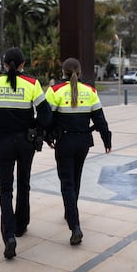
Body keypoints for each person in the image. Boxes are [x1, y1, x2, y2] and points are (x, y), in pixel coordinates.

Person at [0, 47, 52, 259]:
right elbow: (46, 113)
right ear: (22, 65)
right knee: (24, 184)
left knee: (5, 190)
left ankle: (9, 236)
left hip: (3, 144)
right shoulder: (32, 83)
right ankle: (21, 225)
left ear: (4, 65)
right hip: (26, 144)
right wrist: (36, 127)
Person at [45, 57, 111, 245]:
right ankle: (70, 212)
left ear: (63, 72)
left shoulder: (54, 91)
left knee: (67, 183)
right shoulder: (90, 91)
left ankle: (75, 226)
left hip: (64, 142)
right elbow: (99, 119)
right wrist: (107, 139)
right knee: (76, 179)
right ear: (80, 72)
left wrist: (48, 138)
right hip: (83, 143)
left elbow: (46, 119)